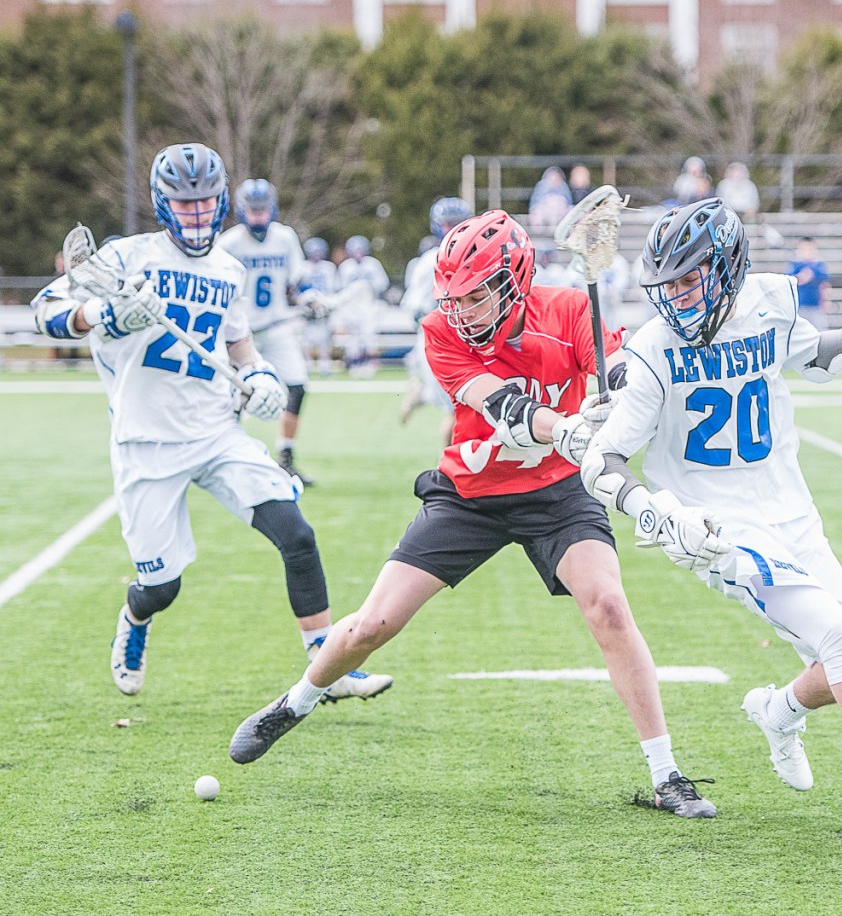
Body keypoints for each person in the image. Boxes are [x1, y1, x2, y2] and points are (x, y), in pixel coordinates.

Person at [229, 209, 718, 820]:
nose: (459, 311)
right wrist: (565, 427)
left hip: (559, 494)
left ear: (513, 282)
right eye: (453, 298)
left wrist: (614, 392)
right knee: (372, 625)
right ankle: (296, 702)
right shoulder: (442, 331)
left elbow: (616, 366)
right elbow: (503, 406)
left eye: (473, 297)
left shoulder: (568, 310)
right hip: (471, 494)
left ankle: (666, 772)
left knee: (609, 606)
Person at [565, 197, 842, 839]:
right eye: (669, 285)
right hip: (719, 529)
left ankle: (779, 711)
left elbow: (810, 357)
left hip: (792, 510)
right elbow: (602, 461)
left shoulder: (768, 302)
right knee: (839, 642)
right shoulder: (654, 350)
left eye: (690, 279)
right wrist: (657, 510)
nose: (678, 298)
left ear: (727, 267)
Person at [31, 142, 392, 704]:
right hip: (145, 441)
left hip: (217, 433)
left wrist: (262, 375)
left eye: (205, 204)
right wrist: (102, 313)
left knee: (296, 534)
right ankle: (134, 618)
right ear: (163, 204)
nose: (197, 215)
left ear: (221, 202)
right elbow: (45, 312)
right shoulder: (127, 259)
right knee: (162, 585)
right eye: (184, 204)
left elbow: (238, 343)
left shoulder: (227, 267)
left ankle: (330, 665)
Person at [217, 179, 327, 486]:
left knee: (297, 387)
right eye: (252, 211)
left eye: (262, 210)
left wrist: (310, 298)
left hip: (277, 326)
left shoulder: (284, 237)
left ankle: (286, 458)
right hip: (241, 332)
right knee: (234, 395)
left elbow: (298, 280)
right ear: (241, 211)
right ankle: (229, 459)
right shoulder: (229, 243)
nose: (258, 217)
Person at [398, 197, 472, 442]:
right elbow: (415, 309)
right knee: (457, 410)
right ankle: (452, 470)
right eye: (446, 224)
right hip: (438, 341)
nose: (452, 230)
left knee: (465, 405)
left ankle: (422, 395)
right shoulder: (430, 260)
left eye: (458, 223)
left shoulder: (474, 255)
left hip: (466, 339)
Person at [337, 235, 390, 377]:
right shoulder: (345, 267)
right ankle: (355, 364)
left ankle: (371, 364)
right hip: (352, 307)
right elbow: (342, 289)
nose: (358, 253)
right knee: (354, 337)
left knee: (369, 335)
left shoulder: (373, 264)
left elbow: (381, 285)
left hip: (369, 304)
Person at [301, 237, 340, 377]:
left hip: (324, 305)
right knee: (305, 339)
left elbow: (333, 288)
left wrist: (327, 303)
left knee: (325, 339)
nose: (316, 255)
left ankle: (325, 365)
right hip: (307, 307)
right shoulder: (302, 266)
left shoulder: (329, 267)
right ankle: (307, 364)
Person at [786, 236, 832, 331]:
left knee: (819, 331)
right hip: (799, 306)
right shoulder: (794, 266)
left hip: (815, 306)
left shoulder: (819, 266)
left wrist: (826, 300)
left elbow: (824, 285)